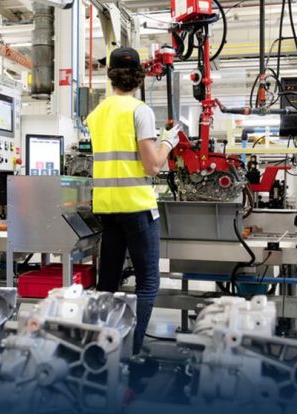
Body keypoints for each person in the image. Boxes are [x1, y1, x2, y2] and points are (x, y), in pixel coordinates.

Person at [86, 47, 181, 355]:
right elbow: (153, 165)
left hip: (107, 208)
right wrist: (168, 141)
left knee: (108, 284)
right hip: (137, 208)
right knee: (148, 283)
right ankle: (132, 350)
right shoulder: (140, 111)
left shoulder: (96, 114)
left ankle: (104, 349)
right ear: (139, 76)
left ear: (110, 76)